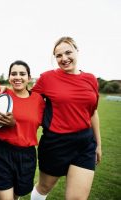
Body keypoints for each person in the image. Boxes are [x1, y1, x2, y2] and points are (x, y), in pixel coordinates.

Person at [30, 37, 102, 200]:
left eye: (68, 52)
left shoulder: (91, 79)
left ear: (77, 51)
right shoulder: (47, 78)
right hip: (56, 143)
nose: (64, 58)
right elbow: (27, 99)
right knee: (44, 187)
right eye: (58, 55)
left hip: (85, 143)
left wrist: (98, 144)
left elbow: (92, 112)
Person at [0, 60, 45, 200]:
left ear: (29, 78)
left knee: (15, 197)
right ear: (9, 77)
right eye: (13, 74)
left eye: (22, 74)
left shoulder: (39, 100)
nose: (17, 77)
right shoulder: (2, 95)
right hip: (1, 152)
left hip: (27, 156)